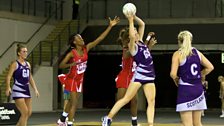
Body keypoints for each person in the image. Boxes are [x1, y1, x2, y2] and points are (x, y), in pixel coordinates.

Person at [57, 16, 120, 126]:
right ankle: (69, 123)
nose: (82, 39)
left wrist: (110, 26)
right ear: (74, 42)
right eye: (79, 38)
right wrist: (72, 64)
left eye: (81, 37)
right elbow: (61, 65)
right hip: (71, 79)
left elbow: (99, 39)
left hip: (80, 79)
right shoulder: (72, 53)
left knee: (72, 101)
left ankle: (62, 119)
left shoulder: (87, 48)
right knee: (74, 103)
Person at [102, 14, 157, 126]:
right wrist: (130, 21)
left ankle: (150, 124)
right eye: (135, 33)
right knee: (126, 99)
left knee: (151, 102)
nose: (137, 34)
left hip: (150, 75)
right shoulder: (132, 47)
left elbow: (142, 24)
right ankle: (108, 118)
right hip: (140, 75)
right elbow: (132, 36)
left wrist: (135, 16)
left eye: (137, 33)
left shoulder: (141, 42)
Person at [170, 30, 214, 126]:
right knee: (198, 123)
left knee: (187, 124)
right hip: (198, 89)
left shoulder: (177, 54)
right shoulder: (197, 52)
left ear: (179, 41)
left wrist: (177, 80)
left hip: (185, 89)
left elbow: (173, 74)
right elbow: (210, 67)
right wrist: (200, 74)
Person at [115, 28, 157, 126]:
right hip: (125, 75)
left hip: (133, 76)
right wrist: (147, 41)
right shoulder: (127, 47)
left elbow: (144, 52)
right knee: (120, 100)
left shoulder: (137, 46)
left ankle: (134, 122)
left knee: (134, 100)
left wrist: (148, 40)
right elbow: (129, 55)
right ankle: (109, 118)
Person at [5, 44, 40, 126]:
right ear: (19, 53)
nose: (26, 53)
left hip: (26, 89)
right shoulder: (15, 64)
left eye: (26, 51)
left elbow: (30, 77)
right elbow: (8, 76)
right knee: (25, 112)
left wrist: (35, 89)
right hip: (17, 89)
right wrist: (8, 87)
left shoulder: (28, 64)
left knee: (29, 113)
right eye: (23, 51)